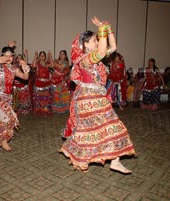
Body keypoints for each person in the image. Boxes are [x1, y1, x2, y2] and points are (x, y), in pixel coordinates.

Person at [60, 17, 135, 173]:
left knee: (107, 128)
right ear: (86, 44)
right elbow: (101, 51)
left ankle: (114, 160)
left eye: (97, 39)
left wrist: (107, 28)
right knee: (99, 129)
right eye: (95, 40)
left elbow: (113, 46)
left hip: (98, 98)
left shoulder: (95, 58)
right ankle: (88, 157)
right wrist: (102, 30)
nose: (98, 41)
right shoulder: (85, 60)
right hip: (87, 99)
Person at [31, 51, 54, 116]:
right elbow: (33, 66)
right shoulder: (37, 64)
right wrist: (35, 57)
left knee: (46, 98)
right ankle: (39, 110)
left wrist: (50, 56)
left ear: (45, 57)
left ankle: (45, 110)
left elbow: (52, 65)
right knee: (39, 98)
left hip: (47, 83)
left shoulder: (47, 64)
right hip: (39, 83)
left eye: (43, 55)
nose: (42, 57)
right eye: (41, 55)